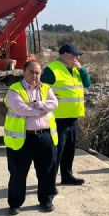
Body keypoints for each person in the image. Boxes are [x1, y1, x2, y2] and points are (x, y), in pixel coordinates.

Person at [4, 59, 59, 215]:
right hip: (23, 139)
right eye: (32, 72)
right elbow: (20, 108)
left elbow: (54, 104)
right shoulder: (14, 89)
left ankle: (46, 200)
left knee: (47, 171)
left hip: (45, 137)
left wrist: (37, 105)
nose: (35, 75)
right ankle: (15, 204)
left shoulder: (46, 88)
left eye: (38, 72)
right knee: (18, 173)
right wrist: (41, 109)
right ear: (24, 72)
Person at [41, 44, 91, 185]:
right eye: (74, 55)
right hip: (58, 118)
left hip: (73, 117)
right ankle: (50, 182)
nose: (77, 57)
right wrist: (49, 97)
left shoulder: (76, 69)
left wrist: (82, 69)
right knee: (56, 151)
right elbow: (39, 87)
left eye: (78, 55)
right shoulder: (52, 69)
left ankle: (67, 176)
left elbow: (87, 84)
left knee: (69, 149)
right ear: (64, 54)